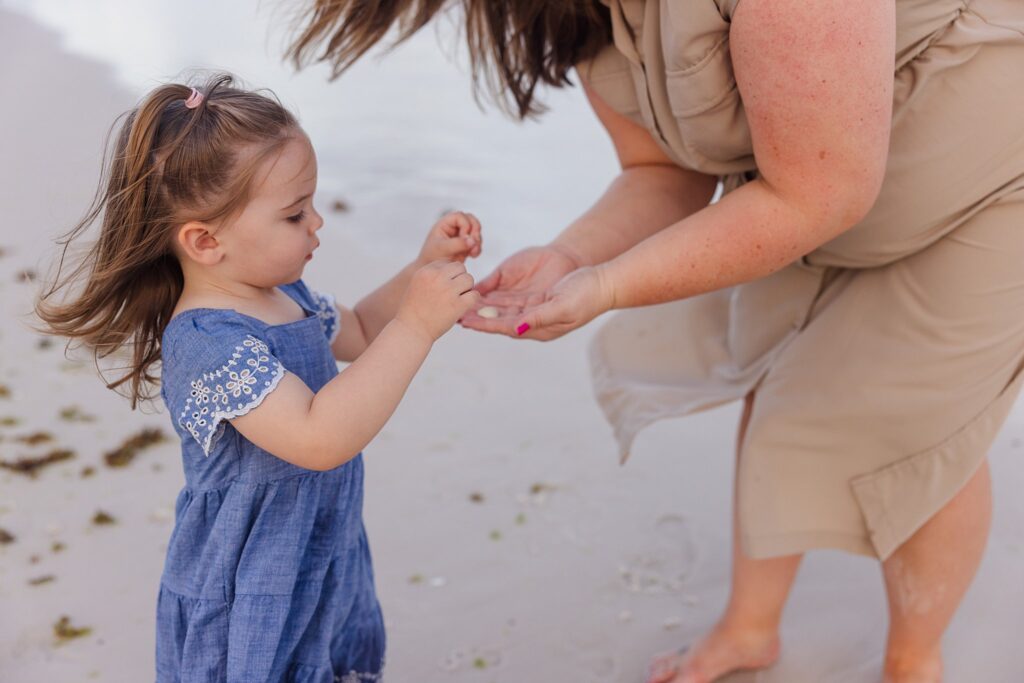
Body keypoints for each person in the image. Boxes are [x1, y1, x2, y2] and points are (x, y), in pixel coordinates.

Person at [289, 1, 1024, 681]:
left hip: (983, 180)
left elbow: (817, 193)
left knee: (921, 430)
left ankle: (913, 661)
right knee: (779, 386)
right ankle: (749, 628)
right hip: (816, 200)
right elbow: (661, 170)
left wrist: (608, 287)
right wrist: (572, 258)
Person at [36, 73, 483, 682]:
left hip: (319, 555)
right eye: (296, 213)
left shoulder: (286, 295)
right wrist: (420, 326)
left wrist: (424, 268)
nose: (317, 224)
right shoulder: (206, 342)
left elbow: (366, 333)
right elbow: (319, 437)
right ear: (205, 241)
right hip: (248, 581)